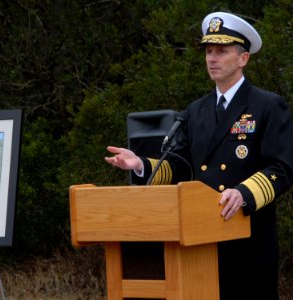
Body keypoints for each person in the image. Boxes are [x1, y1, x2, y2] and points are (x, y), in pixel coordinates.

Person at [105, 11, 293, 300]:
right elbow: (180, 166)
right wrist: (140, 164)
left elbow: (282, 168)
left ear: (243, 59)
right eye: (208, 51)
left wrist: (243, 193)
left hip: (248, 239)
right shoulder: (196, 110)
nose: (212, 58)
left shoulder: (267, 105)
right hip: (201, 243)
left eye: (221, 51)